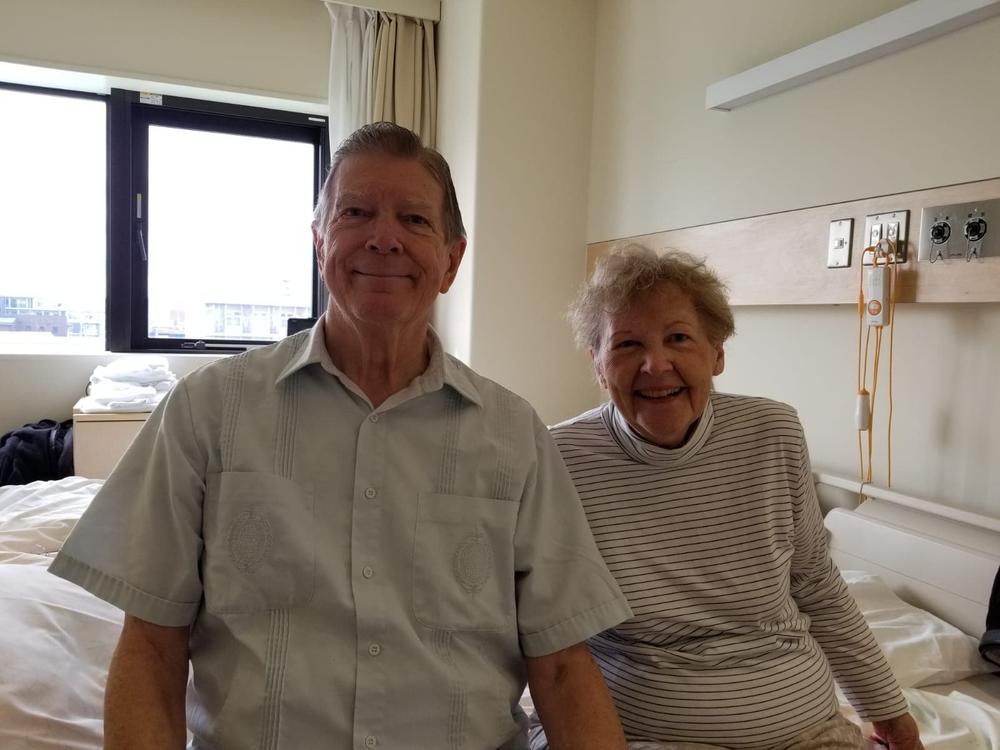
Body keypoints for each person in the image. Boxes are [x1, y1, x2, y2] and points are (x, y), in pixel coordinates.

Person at [50, 122, 632, 750]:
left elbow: (565, 667)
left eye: (414, 220)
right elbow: (151, 647)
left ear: (451, 260)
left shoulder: (513, 434)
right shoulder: (207, 409)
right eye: (356, 212)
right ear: (319, 240)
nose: (384, 239)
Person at [533, 245, 923, 750]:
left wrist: (890, 715)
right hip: (643, 735)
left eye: (678, 338)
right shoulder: (559, 457)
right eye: (627, 344)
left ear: (717, 353)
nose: (656, 365)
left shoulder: (771, 432)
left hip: (806, 732)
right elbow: (542, 630)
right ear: (598, 365)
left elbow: (816, 584)